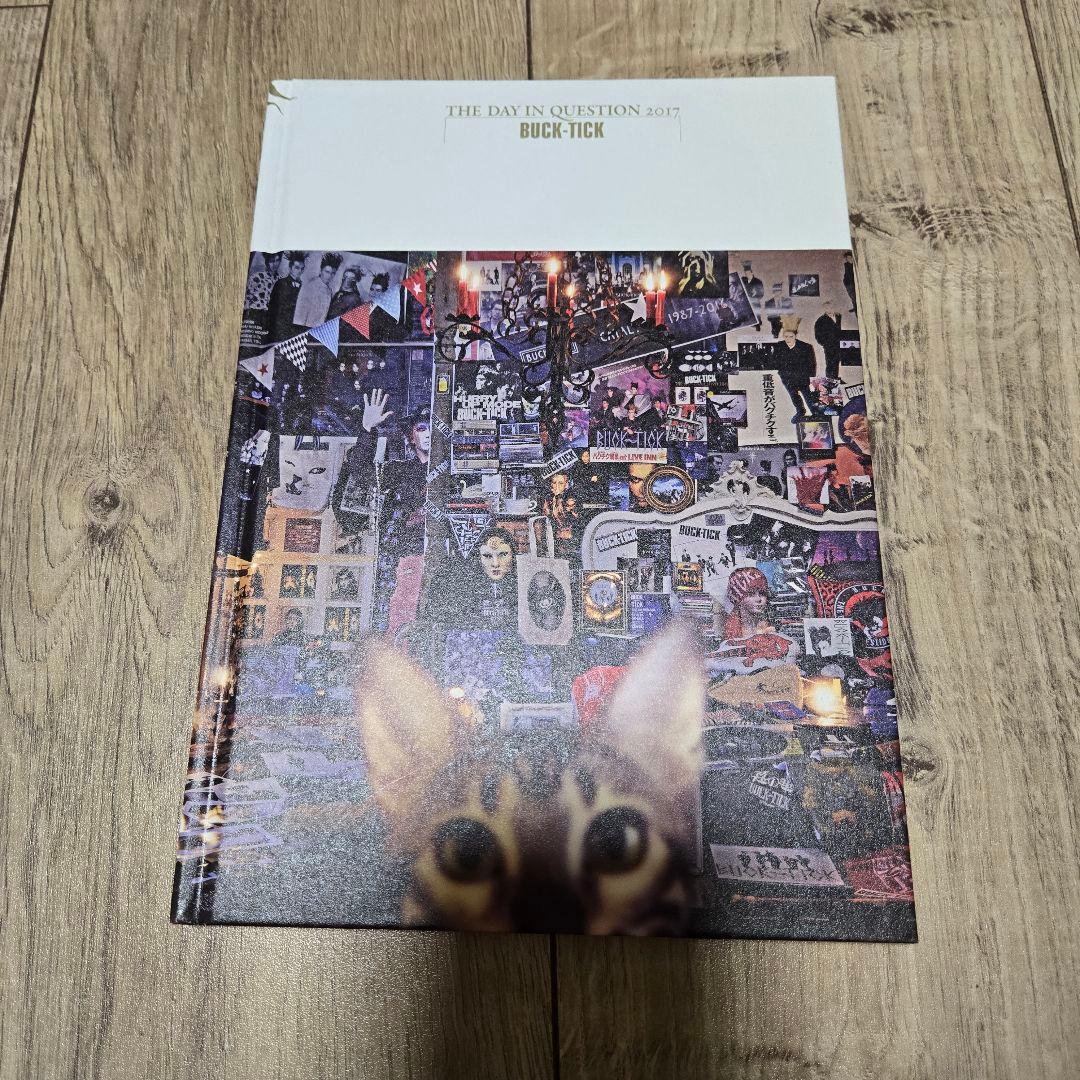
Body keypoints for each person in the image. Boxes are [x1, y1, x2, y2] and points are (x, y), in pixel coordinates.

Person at [774, 315, 817, 420]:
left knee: (808, 396)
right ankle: (800, 411)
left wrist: (810, 378)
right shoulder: (779, 346)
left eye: (791, 336)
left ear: (795, 335)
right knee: (794, 396)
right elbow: (775, 361)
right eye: (786, 336)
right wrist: (782, 374)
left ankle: (816, 413)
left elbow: (812, 364)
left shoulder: (806, 347)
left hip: (803, 378)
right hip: (788, 378)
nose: (788, 339)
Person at [714, 567, 774, 641]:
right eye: (751, 594)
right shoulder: (732, 631)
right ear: (738, 598)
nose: (758, 599)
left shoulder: (769, 629)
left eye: (762, 593)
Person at [295, 252, 343, 328]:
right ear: (321, 270)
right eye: (327, 272)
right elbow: (299, 316)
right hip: (305, 329)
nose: (329, 276)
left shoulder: (329, 291)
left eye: (333, 273)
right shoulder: (309, 286)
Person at [269, 251, 307, 342]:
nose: (299, 271)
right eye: (297, 268)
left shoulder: (303, 286)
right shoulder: (281, 283)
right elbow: (274, 307)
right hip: (281, 327)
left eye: (302, 269)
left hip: (295, 327)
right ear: (290, 267)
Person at [814, 307, 844, 381]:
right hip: (829, 346)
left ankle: (835, 378)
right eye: (827, 308)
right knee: (830, 363)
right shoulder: (821, 320)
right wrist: (825, 344)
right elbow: (817, 334)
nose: (830, 310)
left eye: (831, 307)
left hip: (838, 344)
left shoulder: (838, 316)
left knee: (836, 361)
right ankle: (830, 380)